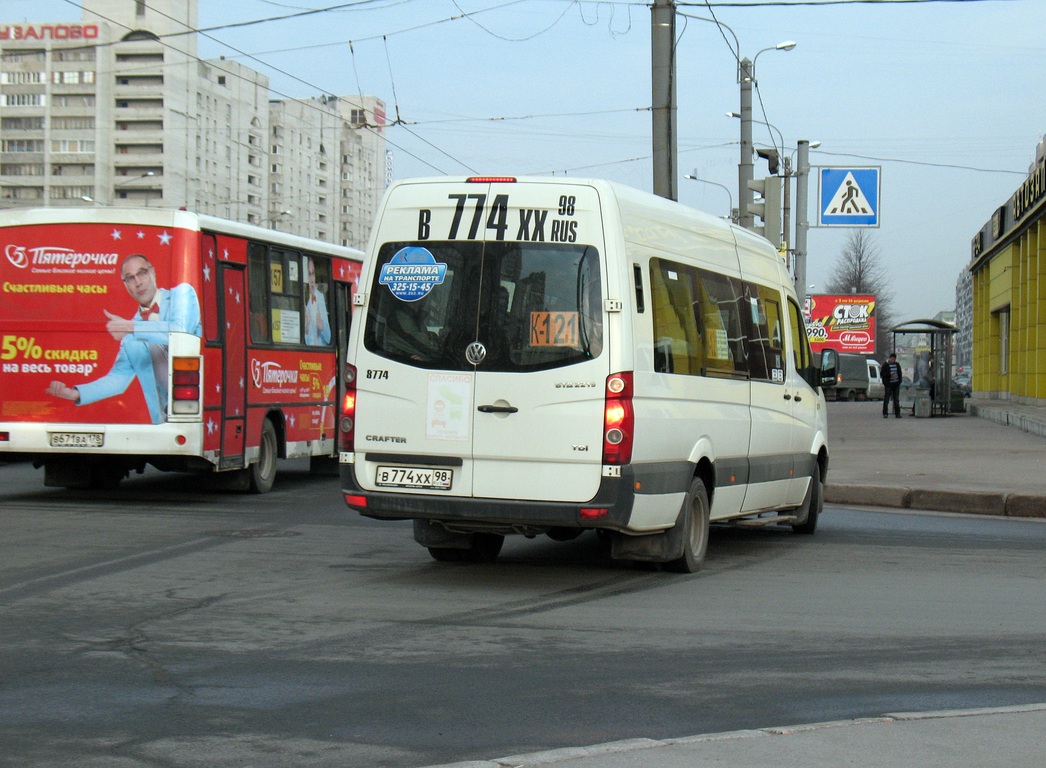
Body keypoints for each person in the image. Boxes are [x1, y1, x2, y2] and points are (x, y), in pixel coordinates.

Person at [45, 253, 202, 425]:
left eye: (142, 273)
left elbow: (182, 331)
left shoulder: (181, 294)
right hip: (164, 419)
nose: (138, 282)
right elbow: (118, 379)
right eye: (130, 278)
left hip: (196, 406)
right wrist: (75, 393)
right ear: (126, 285)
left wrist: (130, 327)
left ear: (153, 272)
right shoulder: (130, 332)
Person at [303, 256, 331, 345]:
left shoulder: (319, 297)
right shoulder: (300, 298)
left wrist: (322, 326)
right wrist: (306, 326)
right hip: (305, 352)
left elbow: (328, 337)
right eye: (308, 274)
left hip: (320, 352)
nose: (311, 279)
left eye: (313, 273)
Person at [882, 351, 903, 419]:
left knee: (896, 399)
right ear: (890, 358)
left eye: (894, 359)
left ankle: (897, 413)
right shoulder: (885, 365)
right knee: (887, 399)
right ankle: (885, 413)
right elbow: (882, 374)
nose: (893, 360)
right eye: (892, 359)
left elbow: (900, 373)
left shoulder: (897, 365)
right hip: (888, 384)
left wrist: (899, 381)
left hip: (896, 384)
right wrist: (889, 374)